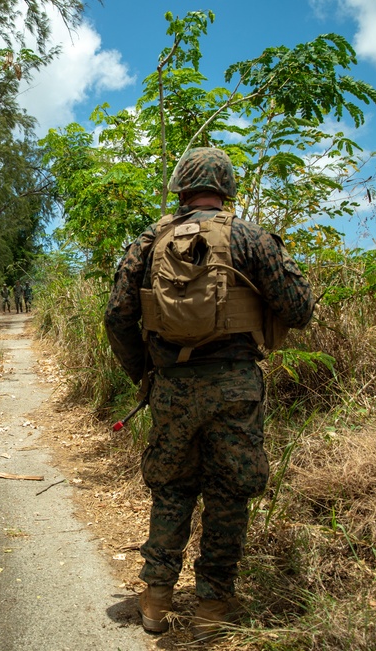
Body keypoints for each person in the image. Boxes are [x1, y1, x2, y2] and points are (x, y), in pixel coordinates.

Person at [104, 147, 315, 640]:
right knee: (228, 494)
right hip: (235, 387)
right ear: (227, 189)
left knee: (172, 488)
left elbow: (117, 315)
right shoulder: (248, 237)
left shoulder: (150, 240)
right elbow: (299, 308)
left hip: (171, 386)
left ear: (180, 188)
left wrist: (145, 372)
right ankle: (211, 610)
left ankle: (156, 601)